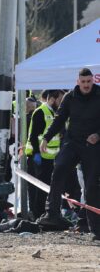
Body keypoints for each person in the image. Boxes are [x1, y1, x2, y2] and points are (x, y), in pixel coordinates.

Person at [38, 68, 100, 240]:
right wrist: (46, 138)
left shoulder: (99, 94)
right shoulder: (70, 97)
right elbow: (59, 119)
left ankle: (95, 228)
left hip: (92, 146)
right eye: (83, 82)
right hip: (73, 142)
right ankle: (52, 213)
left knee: (91, 186)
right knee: (59, 168)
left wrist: (98, 135)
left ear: (92, 81)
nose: (86, 85)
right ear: (78, 81)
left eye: (89, 82)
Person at [25, 90, 65, 219]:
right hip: (38, 158)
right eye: (60, 100)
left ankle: (47, 215)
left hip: (51, 158)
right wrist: (36, 153)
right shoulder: (40, 112)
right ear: (52, 99)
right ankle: (38, 215)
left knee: (48, 188)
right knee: (38, 190)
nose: (61, 103)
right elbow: (33, 136)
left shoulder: (56, 112)